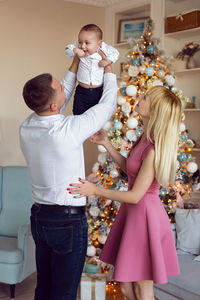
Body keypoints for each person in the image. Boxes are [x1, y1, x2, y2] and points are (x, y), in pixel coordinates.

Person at [68, 86, 182, 300]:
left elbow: (136, 195)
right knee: (125, 284)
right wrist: (107, 144)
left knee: (142, 289)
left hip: (146, 217)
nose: (140, 98)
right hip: (133, 216)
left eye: (145, 97)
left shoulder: (153, 150)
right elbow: (130, 169)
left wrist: (96, 190)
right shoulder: (143, 139)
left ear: (155, 110)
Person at [19, 56, 117, 300]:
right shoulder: (69, 129)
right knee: (63, 293)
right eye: (61, 87)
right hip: (67, 223)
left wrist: (76, 61)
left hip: (40, 219)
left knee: (44, 288)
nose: (65, 87)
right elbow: (107, 106)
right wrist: (110, 69)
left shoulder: (27, 126)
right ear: (54, 106)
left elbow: (54, 102)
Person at [65, 23, 119, 115]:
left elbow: (116, 53)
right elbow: (67, 50)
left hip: (98, 91)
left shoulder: (104, 48)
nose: (83, 46)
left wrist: (107, 61)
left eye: (87, 43)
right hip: (82, 91)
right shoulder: (78, 48)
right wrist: (76, 51)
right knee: (78, 114)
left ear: (99, 43)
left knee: (96, 116)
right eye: (80, 42)